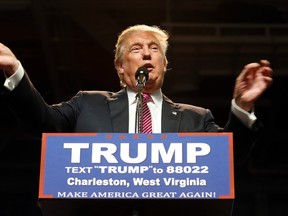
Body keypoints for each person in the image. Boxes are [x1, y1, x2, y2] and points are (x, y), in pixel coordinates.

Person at [1, 24, 272, 215]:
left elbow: (228, 157)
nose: (146, 53)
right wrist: (15, 70)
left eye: (154, 48)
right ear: (120, 66)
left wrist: (242, 105)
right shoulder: (87, 104)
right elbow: (43, 122)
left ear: (164, 64)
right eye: (136, 49)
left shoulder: (196, 118)